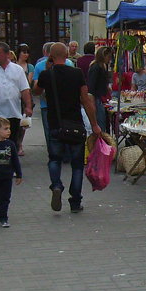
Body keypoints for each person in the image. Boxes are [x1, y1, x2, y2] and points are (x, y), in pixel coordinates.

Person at [34, 42, 101, 213]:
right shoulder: (77, 73)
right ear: (66, 56)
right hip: (75, 125)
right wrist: (94, 124)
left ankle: (56, 185)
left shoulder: (46, 75)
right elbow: (86, 100)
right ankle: (75, 201)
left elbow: (35, 91)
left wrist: (47, 69)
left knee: (54, 159)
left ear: (50, 55)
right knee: (77, 165)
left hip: (55, 124)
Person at [0, 42, 32, 147]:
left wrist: (28, 106)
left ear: (7, 54)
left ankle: (11, 162)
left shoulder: (17, 69)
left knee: (12, 142)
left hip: (13, 113)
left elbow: (24, 89)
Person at [87, 47, 113, 132]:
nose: (109, 59)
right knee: (101, 122)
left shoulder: (102, 66)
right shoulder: (96, 67)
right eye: (108, 57)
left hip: (101, 97)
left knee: (104, 121)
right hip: (97, 98)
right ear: (103, 56)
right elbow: (91, 85)